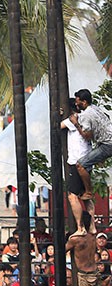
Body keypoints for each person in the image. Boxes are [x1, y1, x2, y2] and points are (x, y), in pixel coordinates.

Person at [67, 211, 112, 286]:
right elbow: (91, 208)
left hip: (85, 275)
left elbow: (60, 251)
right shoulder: (93, 234)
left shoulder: (76, 239)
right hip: (94, 272)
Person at [72, 89, 112, 201]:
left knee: (80, 164)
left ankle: (88, 192)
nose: (76, 103)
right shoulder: (95, 108)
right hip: (107, 140)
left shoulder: (85, 115)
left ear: (84, 102)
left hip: (107, 145)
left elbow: (87, 136)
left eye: (78, 101)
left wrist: (76, 124)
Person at [62, 100, 95, 233]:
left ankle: (80, 227)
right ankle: (92, 226)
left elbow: (57, 126)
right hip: (87, 159)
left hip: (77, 161)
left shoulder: (73, 119)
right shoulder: (88, 118)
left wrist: (59, 115)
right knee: (86, 196)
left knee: (72, 196)